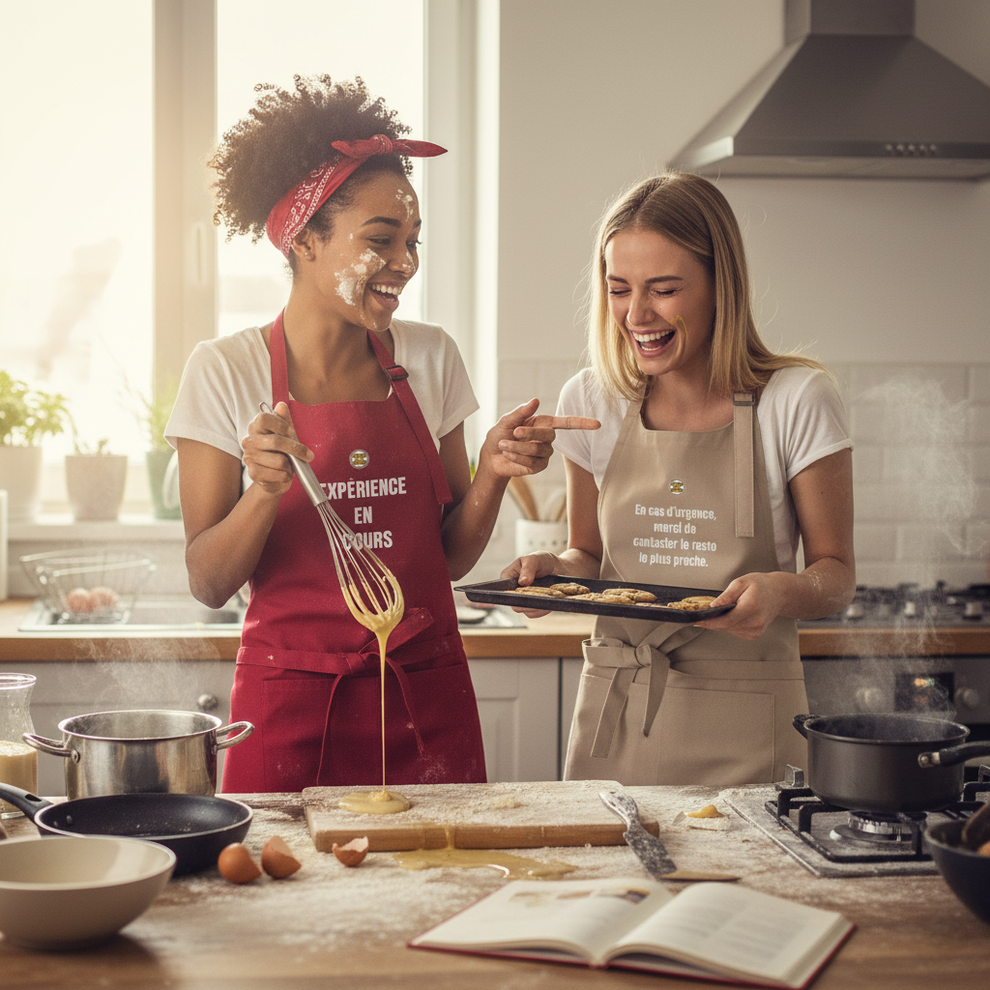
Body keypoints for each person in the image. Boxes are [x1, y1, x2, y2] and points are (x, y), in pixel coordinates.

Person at [165, 75, 596, 793]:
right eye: (382, 240)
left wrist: (492, 472)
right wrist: (264, 491)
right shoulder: (225, 370)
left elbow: (450, 561)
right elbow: (209, 580)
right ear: (304, 240)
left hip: (425, 698)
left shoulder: (429, 359)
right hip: (289, 705)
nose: (407, 263)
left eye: (414, 240)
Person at [504, 171, 855, 787]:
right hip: (617, 711)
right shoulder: (593, 398)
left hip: (750, 725)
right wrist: (552, 574)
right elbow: (588, 555)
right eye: (618, 290)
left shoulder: (796, 398)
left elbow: (836, 576)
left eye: (664, 290)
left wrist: (778, 592)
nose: (637, 315)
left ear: (722, 285)